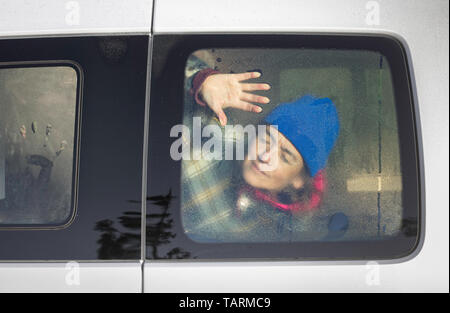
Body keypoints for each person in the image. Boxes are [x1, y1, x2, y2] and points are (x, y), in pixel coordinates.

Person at [181, 54, 340, 242]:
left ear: (300, 180)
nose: (265, 156)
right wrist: (202, 80)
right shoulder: (218, 139)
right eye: (266, 139)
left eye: (285, 157)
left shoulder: (293, 234)